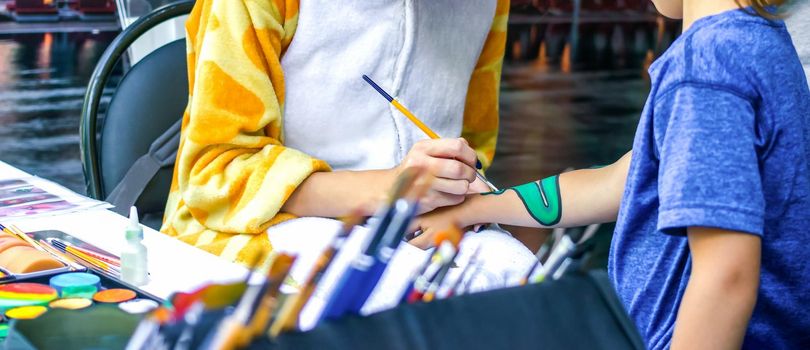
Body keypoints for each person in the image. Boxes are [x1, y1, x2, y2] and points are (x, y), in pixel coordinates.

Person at [413, 0, 810, 348]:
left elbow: (726, 276)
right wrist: (476, 208)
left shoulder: (707, 69)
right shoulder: (762, 42)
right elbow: (624, 181)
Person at [160, 0, 536, 276]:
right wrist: (391, 189)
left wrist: (462, 189)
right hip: (251, 223)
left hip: (421, 218)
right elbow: (214, 173)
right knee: (392, 292)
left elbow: (473, 142)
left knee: (519, 275)